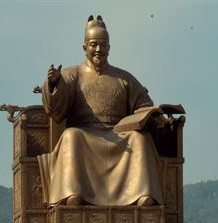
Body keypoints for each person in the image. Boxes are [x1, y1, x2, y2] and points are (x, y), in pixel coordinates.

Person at [37, 15, 163, 208]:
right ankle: (73, 193)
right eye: (94, 44)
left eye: (103, 45)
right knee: (71, 136)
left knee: (140, 139)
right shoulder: (72, 74)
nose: (98, 50)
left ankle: (142, 195)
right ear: (85, 47)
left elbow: (143, 104)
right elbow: (55, 108)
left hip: (119, 133)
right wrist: (54, 83)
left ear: (109, 48)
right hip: (84, 133)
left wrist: (155, 114)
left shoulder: (124, 77)